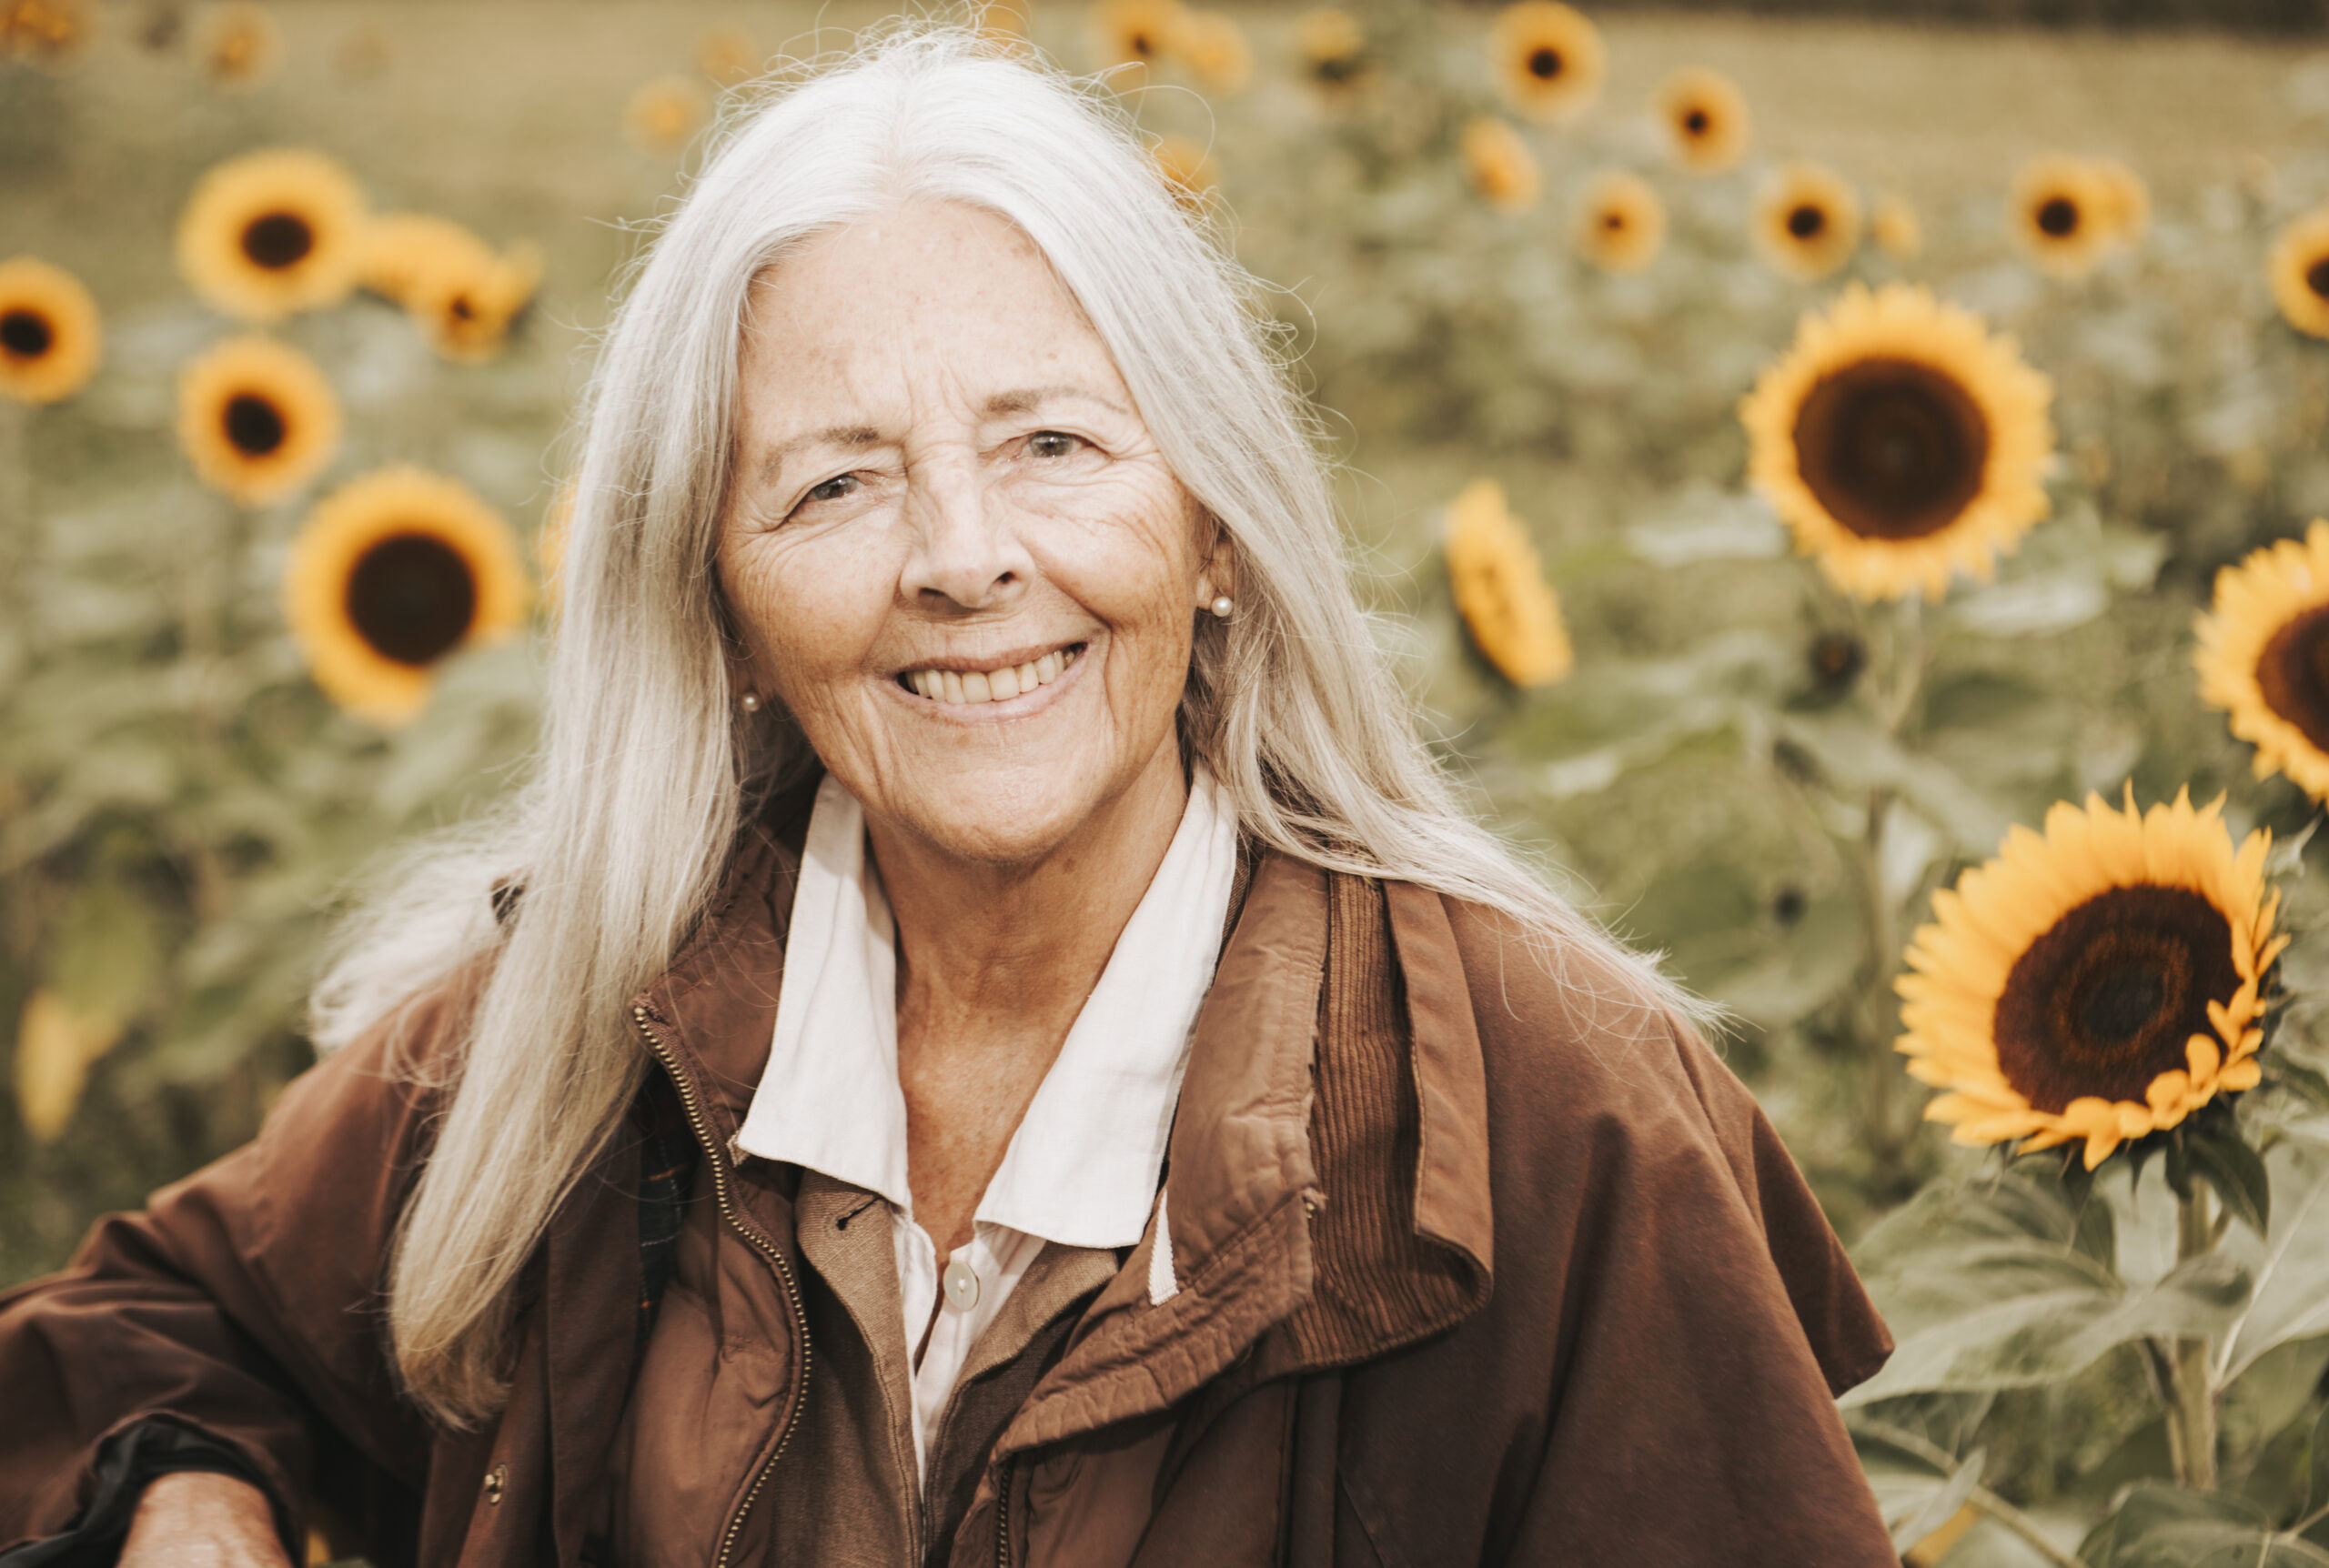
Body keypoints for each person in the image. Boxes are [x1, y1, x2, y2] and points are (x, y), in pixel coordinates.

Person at [0, 28, 1900, 1568]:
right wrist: (189, 1506)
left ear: (1214, 527)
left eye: (1052, 443)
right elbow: (148, 1325)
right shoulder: (586, 1035)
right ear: (721, 609)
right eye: (834, 484)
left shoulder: (1558, 1111)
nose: (963, 556)